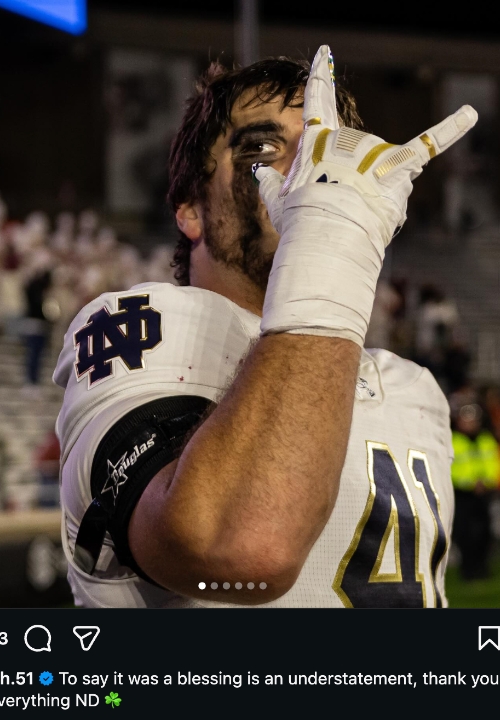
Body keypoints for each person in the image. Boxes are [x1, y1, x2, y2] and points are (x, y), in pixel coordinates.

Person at [54, 45, 477, 608]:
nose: (312, 169)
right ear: (191, 208)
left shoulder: (412, 388)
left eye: (329, 146)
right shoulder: (139, 328)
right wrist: (328, 238)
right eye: (262, 148)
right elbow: (240, 549)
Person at [451, 402, 499, 580]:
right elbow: (450, 469)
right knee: (464, 532)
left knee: (485, 532)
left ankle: (482, 568)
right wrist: (471, 483)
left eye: (473, 420)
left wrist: (486, 482)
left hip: (484, 493)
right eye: (466, 419)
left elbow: (493, 463)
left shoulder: (486, 439)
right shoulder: (453, 441)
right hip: (462, 494)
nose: (470, 423)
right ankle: (468, 570)